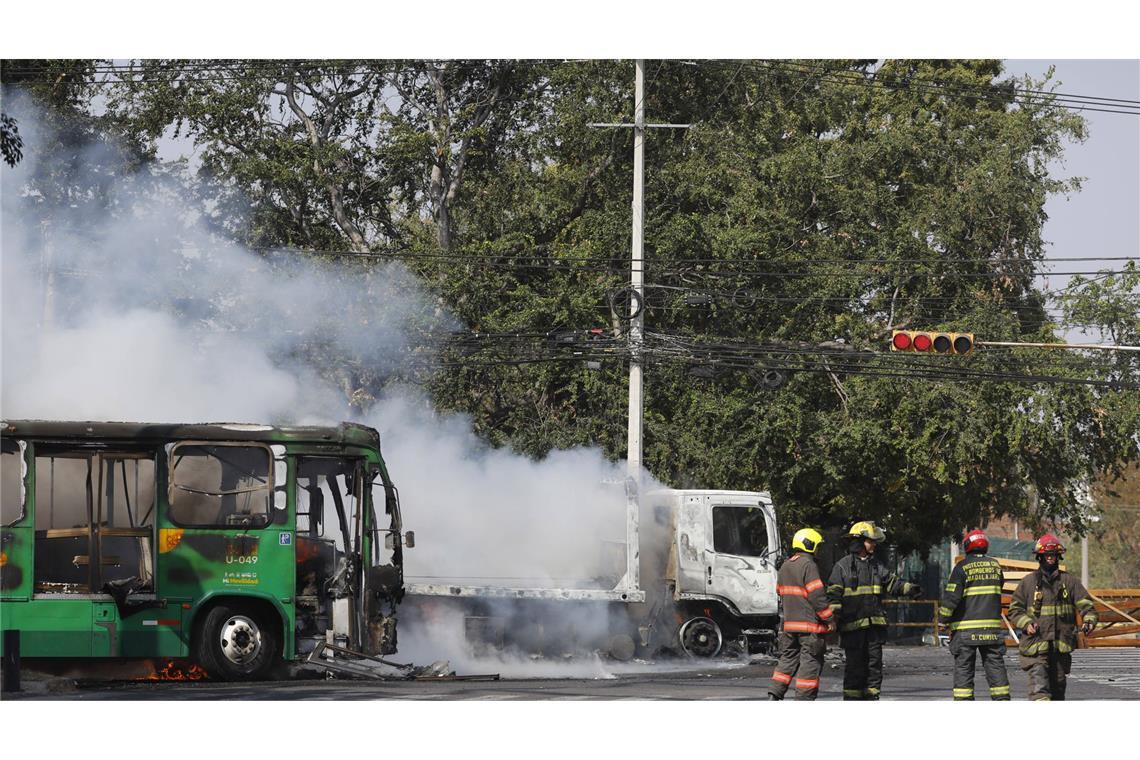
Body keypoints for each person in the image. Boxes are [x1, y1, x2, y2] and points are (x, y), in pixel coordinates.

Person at [827, 520, 922, 700]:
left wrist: (910, 588)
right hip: (852, 630)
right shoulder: (842, 567)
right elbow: (833, 597)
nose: (874, 544)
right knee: (855, 670)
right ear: (860, 541)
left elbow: (893, 583)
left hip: (874, 631)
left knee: (874, 668)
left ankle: (872, 699)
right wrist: (833, 620)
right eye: (871, 541)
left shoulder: (876, 566)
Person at [1007, 533, 1098, 701]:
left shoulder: (1069, 582)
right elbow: (1014, 610)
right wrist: (1026, 623)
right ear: (1040, 557)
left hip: (1060, 648)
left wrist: (1089, 620)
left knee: (1058, 693)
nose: (1050, 558)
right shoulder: (1028, 583)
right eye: (1047, 555)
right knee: (1040, 691)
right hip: (1036, 647)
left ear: (1058, 556)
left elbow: (1087, 605)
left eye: (1053, 555)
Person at [938, 529, 1010, 700]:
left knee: (964, 669)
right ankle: (1002, 701)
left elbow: (951, 598)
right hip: (991, 631)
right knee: (995, 667)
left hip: (965, 631)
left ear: (967, 546)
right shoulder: (995, 565)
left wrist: (942, 620)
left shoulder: (962, 567)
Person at [768, 528, 833, 700]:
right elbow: (817, 596)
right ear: (809, 545)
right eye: (817, 546)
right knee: (810, 663)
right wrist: (830, 619)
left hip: (789, 626)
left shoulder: (785, 566)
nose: (818, 550)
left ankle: (774, 694)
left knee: (787, 659)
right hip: (809, 627)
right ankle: (803, 699)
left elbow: (779, 591)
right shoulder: (808, 565)